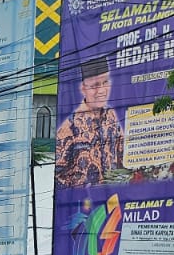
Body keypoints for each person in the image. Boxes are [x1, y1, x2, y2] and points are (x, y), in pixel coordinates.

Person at [54, 56, 125, 189]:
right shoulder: (69, 127)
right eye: (95, 86)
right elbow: (57, 176)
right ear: (83, 89)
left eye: (105, 82)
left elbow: (123, 157)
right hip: (81, 205)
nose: (102, 91)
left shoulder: (111, 116)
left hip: (111, 200)